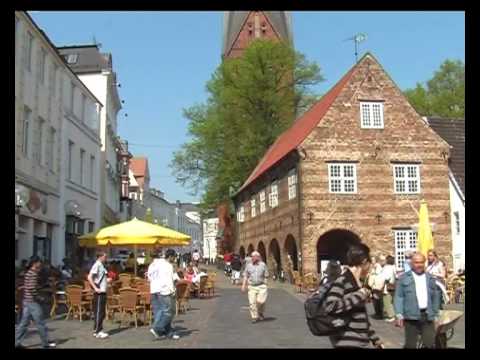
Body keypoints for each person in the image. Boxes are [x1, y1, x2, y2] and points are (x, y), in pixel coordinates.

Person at [323, 243, 383, 349]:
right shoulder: (343, 281)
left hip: (361, 342)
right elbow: (331, 306)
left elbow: (360, 315)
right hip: (347, 342)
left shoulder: (356, 282)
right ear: (364, 261)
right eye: (370, 263)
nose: (370, 267)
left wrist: (375, 339)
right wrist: (360, 295)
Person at [394, 253, 441, 348]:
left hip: (427, 315)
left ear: (424, 263)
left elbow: (435, 296)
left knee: (429, 343)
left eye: (421, 262)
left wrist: (436, 314)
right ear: (411, 263)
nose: (419, 265)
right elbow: (399, 296)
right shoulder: (403, 278)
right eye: (416, 262)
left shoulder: (430, 278)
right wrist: (399, 314)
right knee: (410, 344)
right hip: (410, 315)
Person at [15, 256, 57, 349]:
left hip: (26, 301)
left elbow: (29, 287)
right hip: (32, 302)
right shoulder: (33, 274)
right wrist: (39, 298)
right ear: (35, 263)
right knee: (40, 322)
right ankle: (45, 343)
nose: (40, 264)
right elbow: (32, 289)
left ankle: (17, 342)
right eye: (39, 262)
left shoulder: (28, 273)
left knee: (24, 323)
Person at [147, 249, 180, 340]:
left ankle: (167, 332)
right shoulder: (167, 265)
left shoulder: (152, 265)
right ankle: (157, 329)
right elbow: (168, 279)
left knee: (159, 312)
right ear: (170, 256)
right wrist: (173, 290)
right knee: (169, 312)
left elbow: (149, 277)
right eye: (174, 257)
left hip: (154, 289)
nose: (174, 259)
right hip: (164, 290)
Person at [88, 251, 112, 339]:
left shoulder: (101, 265)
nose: (106, 258)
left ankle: (96, 329)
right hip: (99, 292)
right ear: (100, 257)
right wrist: (95, 288)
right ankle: (98, 331)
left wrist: (107, 280)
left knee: (100, 311)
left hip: (102, 291)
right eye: (105, 256)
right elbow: (89, 277)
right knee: (99, 312)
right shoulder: (97, 265)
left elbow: (99, 277)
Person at [241, 251, 269, 323]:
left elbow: (266, 275)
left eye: (254, 256)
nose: (252, 258)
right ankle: (254, 317)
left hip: (261, 286)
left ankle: (260, 312)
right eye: (252, 256)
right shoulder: (249, 266)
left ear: (258, 257)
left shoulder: (263, 265)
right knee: (252, 302)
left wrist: (266, 283)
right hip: (252, 286)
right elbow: (245, 276)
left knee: (261, 301)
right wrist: (244, 285)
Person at [381, 255, 397, 322]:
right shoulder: (393, 267)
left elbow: (385, 277)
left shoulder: (387, 268)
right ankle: (393, 314)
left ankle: (391, 316)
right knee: (391, 301)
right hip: (392, 285)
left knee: (387, 301)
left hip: (387, 286)